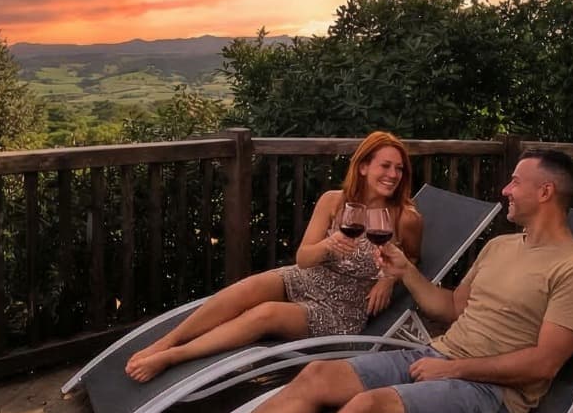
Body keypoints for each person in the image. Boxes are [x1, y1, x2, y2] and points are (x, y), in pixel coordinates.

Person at [125, 148, 573, 413]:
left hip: (492, 398)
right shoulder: (500, 246)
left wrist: (453, 368)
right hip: (437, 356)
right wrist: (404, 270)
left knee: (365, 409)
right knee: (318, 375)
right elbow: (450, 308)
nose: (506, 190)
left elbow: (543, 364)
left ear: (545, 191)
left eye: (515, 182)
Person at [124, 130, 423, 382]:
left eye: (399, 169)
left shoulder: (405, 218)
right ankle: (168, 340)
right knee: (247, 288)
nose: (393, 175)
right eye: (385, 166)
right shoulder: (333, 201)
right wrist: (328, 245)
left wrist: (386, 281)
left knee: (265, 314)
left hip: (340, 308)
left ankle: (174, 356)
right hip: (306, 277)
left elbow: (412, 259)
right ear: (363, 167)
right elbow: (304, 258)